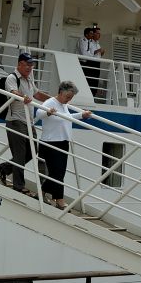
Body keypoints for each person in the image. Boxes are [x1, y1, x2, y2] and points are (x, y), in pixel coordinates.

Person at [0, 52, 50, 195]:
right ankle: (18, 186)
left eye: (31, 65)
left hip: (29, 122)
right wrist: (23, 97)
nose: (30, 67)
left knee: (33, 152)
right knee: (20, 155)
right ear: (19, 64)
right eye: (27, 64)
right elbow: (13, 92)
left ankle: (5, 168)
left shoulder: (29, 79)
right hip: (15, 121)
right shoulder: (12, 78)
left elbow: (37, 94)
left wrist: (54, 100)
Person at [35, 81, 91, 209]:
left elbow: (66, 117)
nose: (69, 100)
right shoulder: (51, 102)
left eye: (71, 98)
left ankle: (44, 193)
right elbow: (38, 113)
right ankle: (58, 199)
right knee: (57, 174)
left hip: (62, 141)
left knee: (59, 173)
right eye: (68, 97)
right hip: (51, 142)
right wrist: (48, 112)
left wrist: (82, 115)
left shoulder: (63, 104)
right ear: (60, 92)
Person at [78, 26, 104, 99]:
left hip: (97, 63)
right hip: (89, 63)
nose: (99, 35)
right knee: (89, 80)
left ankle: (93, 96)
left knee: (95, 81)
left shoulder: (97, 43)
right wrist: (98, 51)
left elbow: (97, 55)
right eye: (97, 33)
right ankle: (88, 96)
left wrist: (101, 52)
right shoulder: (86, 41)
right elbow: (86, 53)